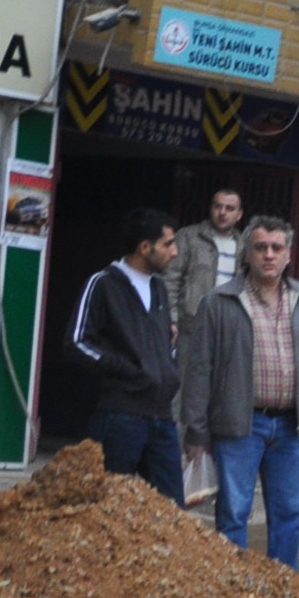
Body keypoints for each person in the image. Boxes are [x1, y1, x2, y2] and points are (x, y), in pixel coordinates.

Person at [178, 216, 299, 568]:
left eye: (276, 248)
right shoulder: (220, 301)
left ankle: (283, 584)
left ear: (288, 255)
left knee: (290, 512)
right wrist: (196, 432)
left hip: (289, 428)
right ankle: (236, 585)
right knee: (233, 511)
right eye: (261, 247)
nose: (269, 255)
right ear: (247, 253)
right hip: (239, 426)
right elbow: (199, 371)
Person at [73, 205, 184, 503]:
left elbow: (162, 342)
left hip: (162, 416)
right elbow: (76, 343)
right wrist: (126, 369)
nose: (174, 252)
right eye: (168, 244)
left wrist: (168, 364)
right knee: (109, 505)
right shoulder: (103, 284)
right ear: (145, 247)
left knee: (172, 508)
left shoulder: (159, 288)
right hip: (120, 416)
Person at [166, 187, 245, 328]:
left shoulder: (244, 246)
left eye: (229, 208)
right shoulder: (188, 237)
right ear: (210, 208)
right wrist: (172, 319)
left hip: (228, 324)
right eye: (217, 206)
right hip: (190, 323)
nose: (222, 212)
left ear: (239, 215)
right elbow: (171, 278)